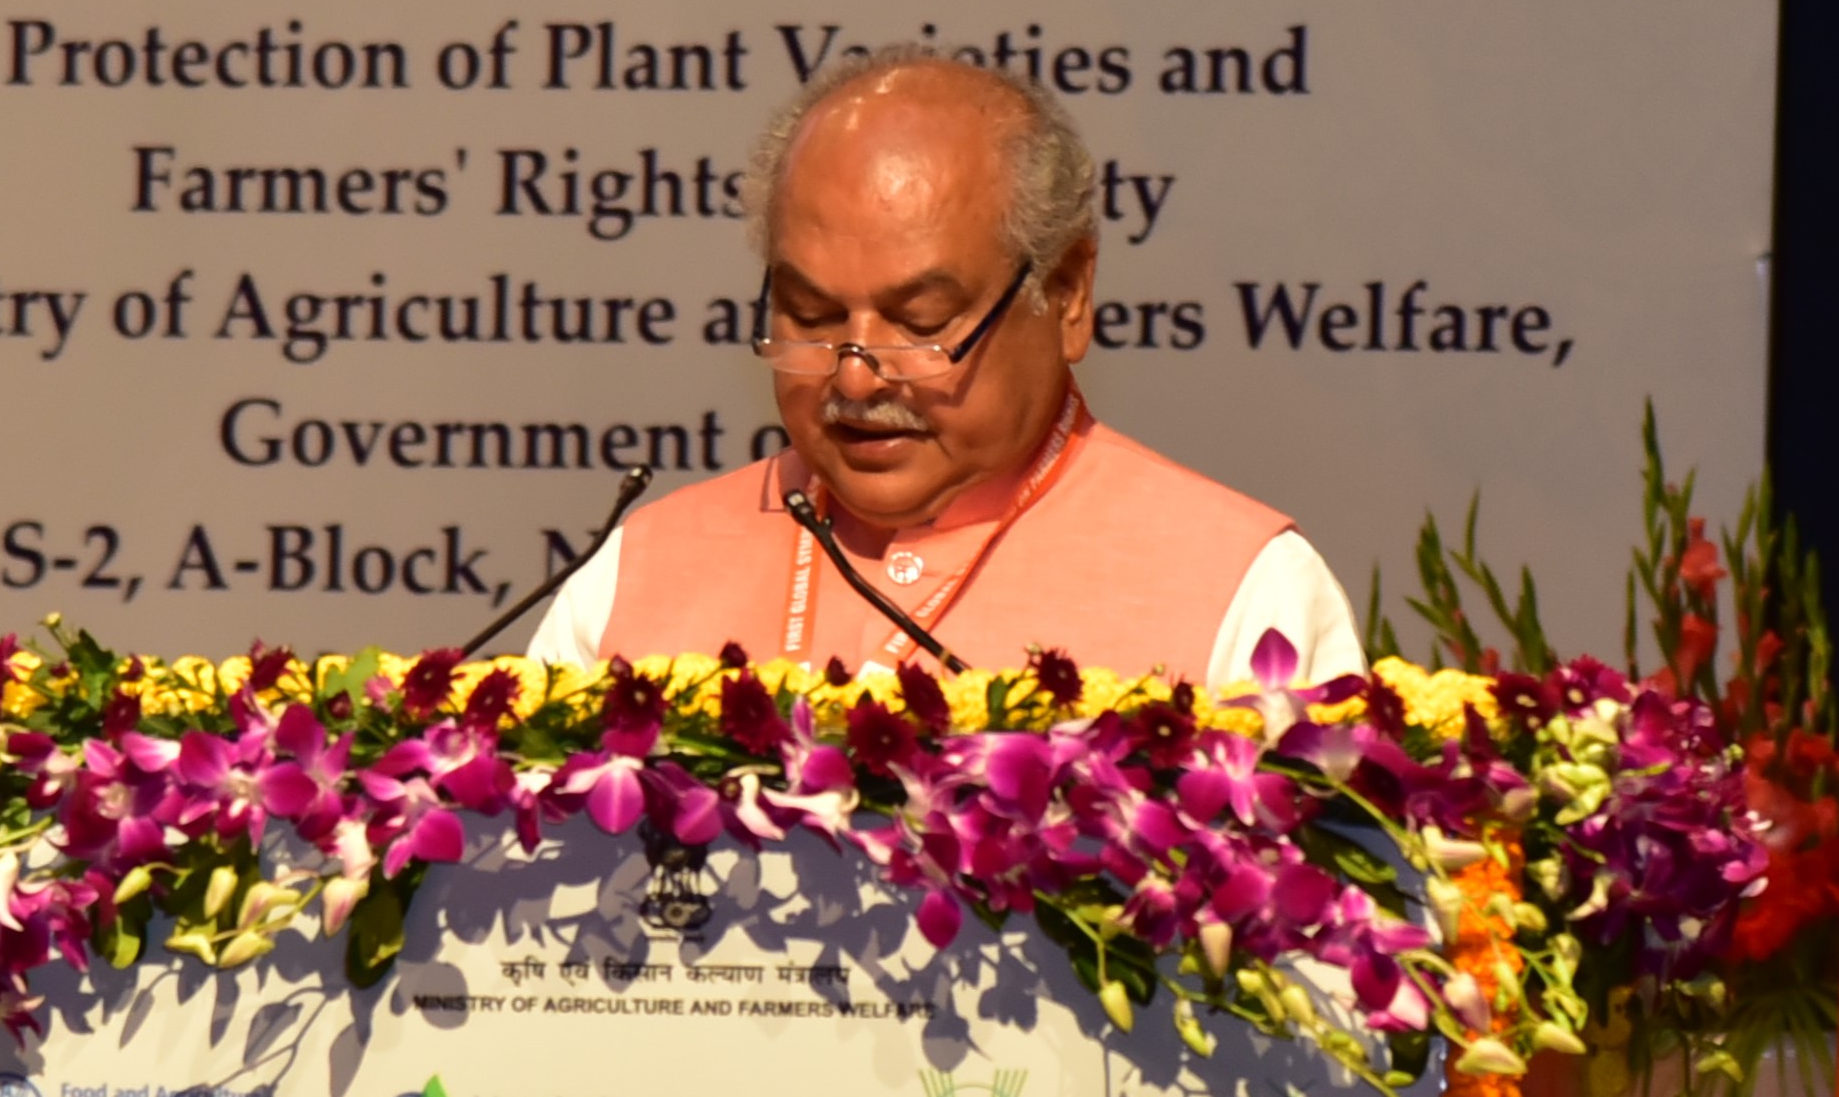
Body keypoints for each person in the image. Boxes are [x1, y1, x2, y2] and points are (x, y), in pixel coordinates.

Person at [528, 46, 1362, 684]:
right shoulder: (635, 575)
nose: (855, 379)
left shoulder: (1241, 591)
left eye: (920, 324)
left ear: (1066, 294)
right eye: (811, 317)